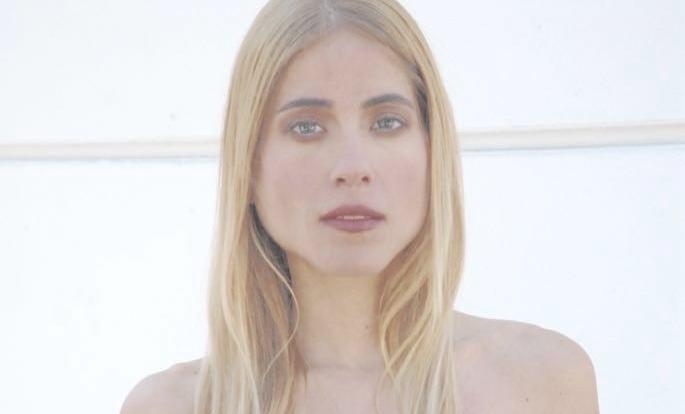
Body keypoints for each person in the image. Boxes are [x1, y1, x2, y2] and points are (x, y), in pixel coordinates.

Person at [121, 0, 600, 413]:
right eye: (307, 127)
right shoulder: (171, 406)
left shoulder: (542, 383)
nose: (353, 167)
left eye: (387, 122)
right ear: (249, 166)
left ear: (432, 150)